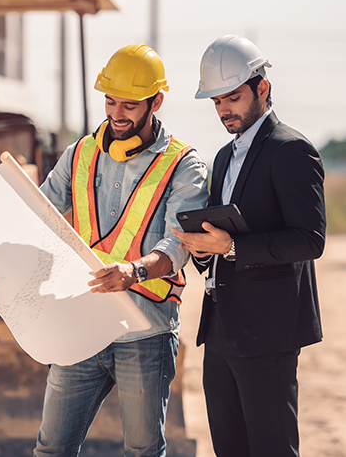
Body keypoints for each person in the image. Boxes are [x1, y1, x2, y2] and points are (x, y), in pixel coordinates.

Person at [33, 43, 208, 457]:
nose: (116, 114)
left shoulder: (184, 166)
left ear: (156, 102)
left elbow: (178, 245)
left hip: (145, 331)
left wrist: (135, 271)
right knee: (51, 449)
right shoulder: (78, 154)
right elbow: (39, 215)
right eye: (110, 101)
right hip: (82, 325)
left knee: (143, 452)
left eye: (129, 104)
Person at [174, 35, 326, 457]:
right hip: (221, 329)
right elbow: (223, 239)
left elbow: (310, 239)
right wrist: (205, 250)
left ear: (263, 89)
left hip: (270, 334)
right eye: (217, 101)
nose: (224, 109)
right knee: (229, 448)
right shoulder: (222, 156)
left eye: (233, 97)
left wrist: (234, 248)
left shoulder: (292, 150)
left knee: (271, 449)